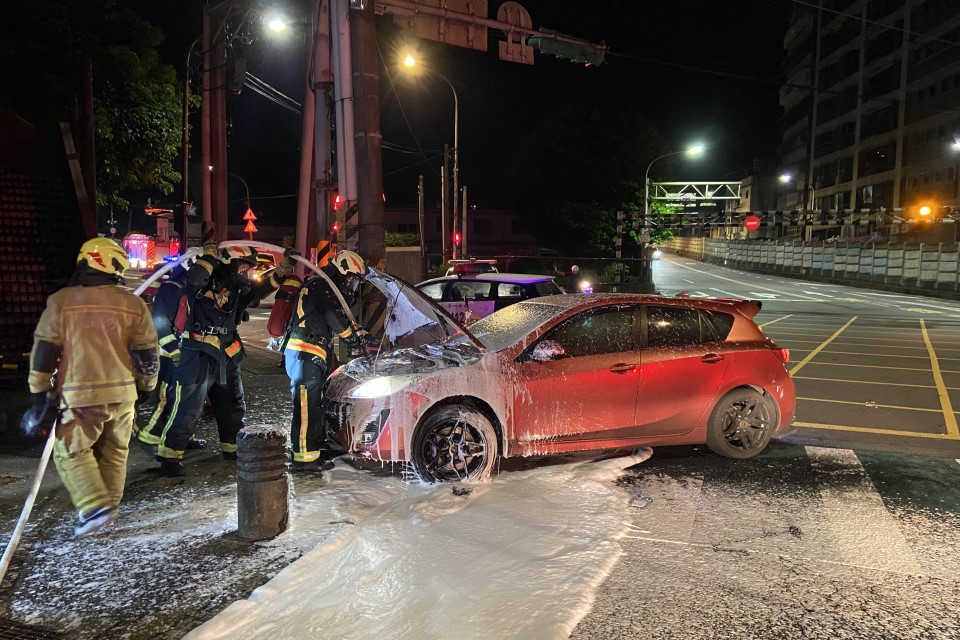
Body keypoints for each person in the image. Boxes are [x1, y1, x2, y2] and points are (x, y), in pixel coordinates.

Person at [21, 237, 159, 536]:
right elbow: (147, 353)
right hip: (124, 395)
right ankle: (107, 511)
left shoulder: (63, 301)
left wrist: (38, 390)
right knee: (115, 453)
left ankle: (95, 508)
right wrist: (146, 385)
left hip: (80, 395)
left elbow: (45, 350)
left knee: (71, 452)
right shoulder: (133, 304)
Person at [147, 228, 297, 477]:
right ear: (228, 264)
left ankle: (232, 448)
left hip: (227, 354)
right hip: (197, 355)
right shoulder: (198, 282)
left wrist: (281, 271)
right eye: (244, 268)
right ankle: (170, 456)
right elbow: (195, 278)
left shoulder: (236, 289)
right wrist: (209, 257)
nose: (248, 273)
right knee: (188, 407)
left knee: (232, 404)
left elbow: (258, 291)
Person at [283, 250, 376, 473]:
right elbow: (333, 317)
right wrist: (353, 338)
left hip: (311, 355)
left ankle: (314, 448)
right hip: (304, 354)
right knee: (306, 410)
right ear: (343, 271)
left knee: (314, 406)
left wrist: (361, 335)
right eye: (352, 279)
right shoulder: (320, 285)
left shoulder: (323, 287)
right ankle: (304, 461)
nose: (352, 286)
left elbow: (338, 316)